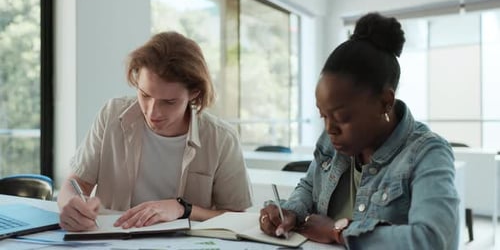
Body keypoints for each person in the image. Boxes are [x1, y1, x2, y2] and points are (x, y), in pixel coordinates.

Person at [259, 13, 459, 249]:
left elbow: (434, 240)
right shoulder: (333, 140)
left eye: (342, 117)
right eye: (323, 116)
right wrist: (290, 212)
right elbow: (311, 186)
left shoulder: (428, 153)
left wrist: (339, 232)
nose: (330, 129)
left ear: (385, 102)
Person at [58, 31, 252, 231]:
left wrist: (182, 209)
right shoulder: (112, 115)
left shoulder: (221, 139)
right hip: (111, 240)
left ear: (194, 93)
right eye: (145, 94)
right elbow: (75, 183)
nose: (153, 112)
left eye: (169, 102)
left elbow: (237, 217)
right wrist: (71, 206)